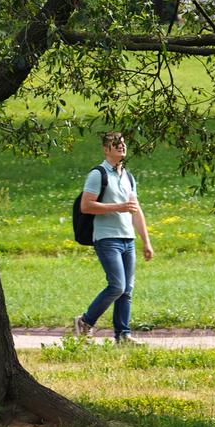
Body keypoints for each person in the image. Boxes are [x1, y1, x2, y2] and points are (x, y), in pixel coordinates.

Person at [72, 132, 154, 344]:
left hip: (128, 239)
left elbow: (136, 210)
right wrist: (119, 207)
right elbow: (86, 205)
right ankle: (85, 321)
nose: (121, 147)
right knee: (117, 285)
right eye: (115, 144)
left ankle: (123, 335)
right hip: (107, 238)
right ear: (106, 149)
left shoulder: (127, 176)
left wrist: (146, 241)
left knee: (126, 290)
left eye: (123, 143)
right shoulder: (98, 175)